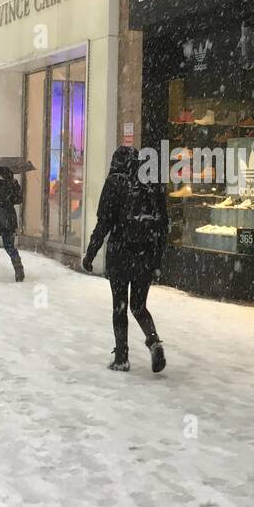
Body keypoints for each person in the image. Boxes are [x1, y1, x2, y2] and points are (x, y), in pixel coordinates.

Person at [82, 146, 168, 373]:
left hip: (120, 254)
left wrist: (91, 253)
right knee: (139, 305)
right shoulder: (150, 184)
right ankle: (153, 340)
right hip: (145, 254)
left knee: (120, 307)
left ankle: (121, 357)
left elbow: (103, 224)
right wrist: (157, 260)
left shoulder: (114, 184)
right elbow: (162, 225)